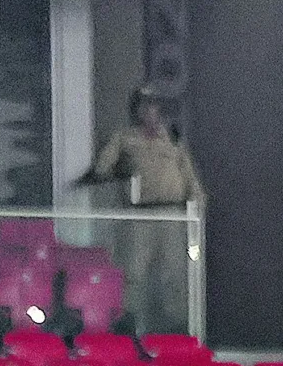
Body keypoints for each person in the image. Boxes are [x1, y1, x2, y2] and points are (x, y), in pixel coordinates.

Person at [79, 87, 201, 333]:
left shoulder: (173, 139)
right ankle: (131, 324)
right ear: (135, 110)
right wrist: (118, 174)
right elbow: (102, 169)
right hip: (139, 215)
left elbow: (191, 180)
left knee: (175, 272)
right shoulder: (124, 138)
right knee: (135, 272)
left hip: (172, 216)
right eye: (143, 105)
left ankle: (177, 327)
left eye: (153, 105)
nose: (148, 111)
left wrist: (197, 208)